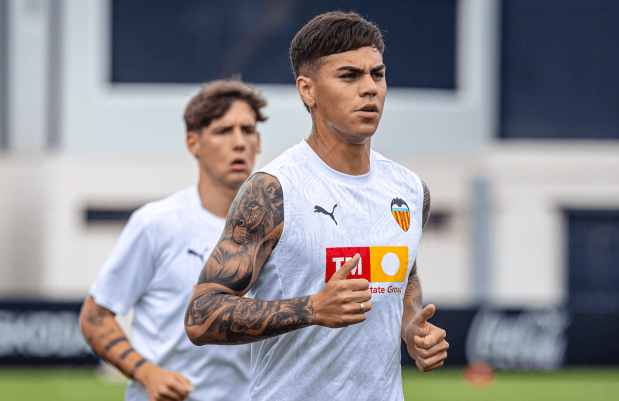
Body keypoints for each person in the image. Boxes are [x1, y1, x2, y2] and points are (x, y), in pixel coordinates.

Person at [184, 11, 449, 400]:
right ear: (307, 90)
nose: (370, 89)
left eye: (377, 74)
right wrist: (310, 308)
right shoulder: (273, 191)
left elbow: (403, 269)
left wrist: (411, 325)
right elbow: (201, 316)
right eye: (349, 76)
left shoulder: (410, 190)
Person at [79, 78, 267, 401]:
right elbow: (95, 317)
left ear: (258, 141)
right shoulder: (156, 223)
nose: (239, 142)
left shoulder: (277, 231)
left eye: (247, 130)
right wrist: (147, 373)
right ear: (193, 143)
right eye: (224, 131)